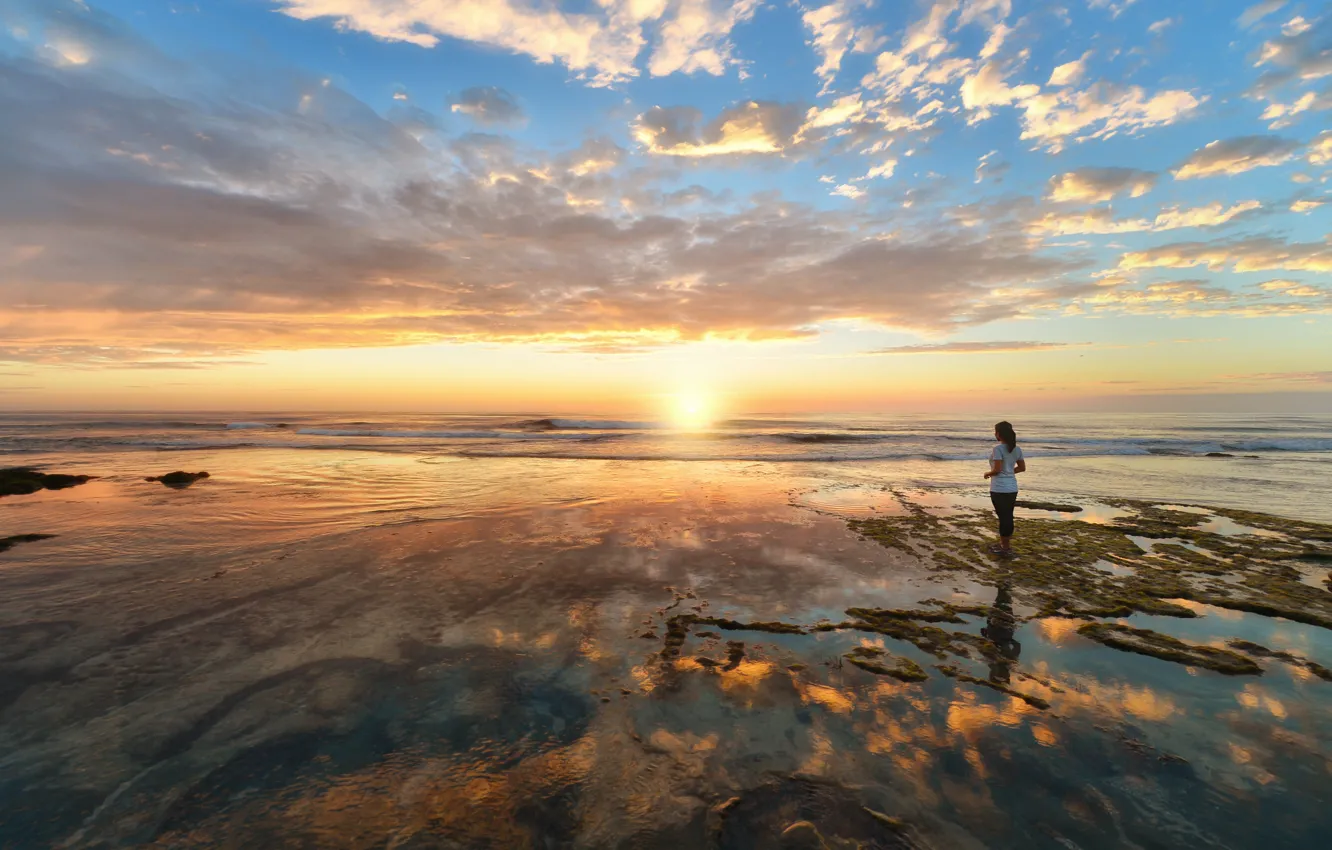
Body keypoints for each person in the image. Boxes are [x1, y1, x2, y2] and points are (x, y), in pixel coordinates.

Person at [983, 420, 1025, 556]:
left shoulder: (998, 449)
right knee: (1008, 516)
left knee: (1004, 517)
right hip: (1012, 487)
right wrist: (1010, 472)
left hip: (999, 488)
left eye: (995, 431)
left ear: (999, 434)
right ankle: (1005, 545)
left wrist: (987, 474)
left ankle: (1005, 548)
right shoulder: (1017, 449)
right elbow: (1022, 468)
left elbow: (997, 469)